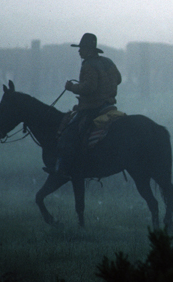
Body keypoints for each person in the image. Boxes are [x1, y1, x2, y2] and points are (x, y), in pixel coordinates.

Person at [45, 33, 122, 177]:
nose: (79, 51)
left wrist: (71, 87)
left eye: (82, 48)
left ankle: (63, 168)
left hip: (93, 108)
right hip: (109, 105)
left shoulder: (88, 65)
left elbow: (89, 88)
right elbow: (118, 79)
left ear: (89, 49)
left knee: (69, 133)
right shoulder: (108, 62)